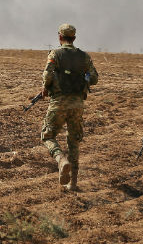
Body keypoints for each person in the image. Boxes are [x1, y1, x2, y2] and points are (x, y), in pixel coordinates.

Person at [40, 23, 98, 190]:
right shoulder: (84, 57)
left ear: (60, 37)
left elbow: (48, 73)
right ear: (74, 38)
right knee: (74, 142)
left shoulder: (55, 54)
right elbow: (94, 78)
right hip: (78, 104)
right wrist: (83, 78)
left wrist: (45, 87)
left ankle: (60, 159)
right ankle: (72, 183)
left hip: (59, 102)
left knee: (47, 135)